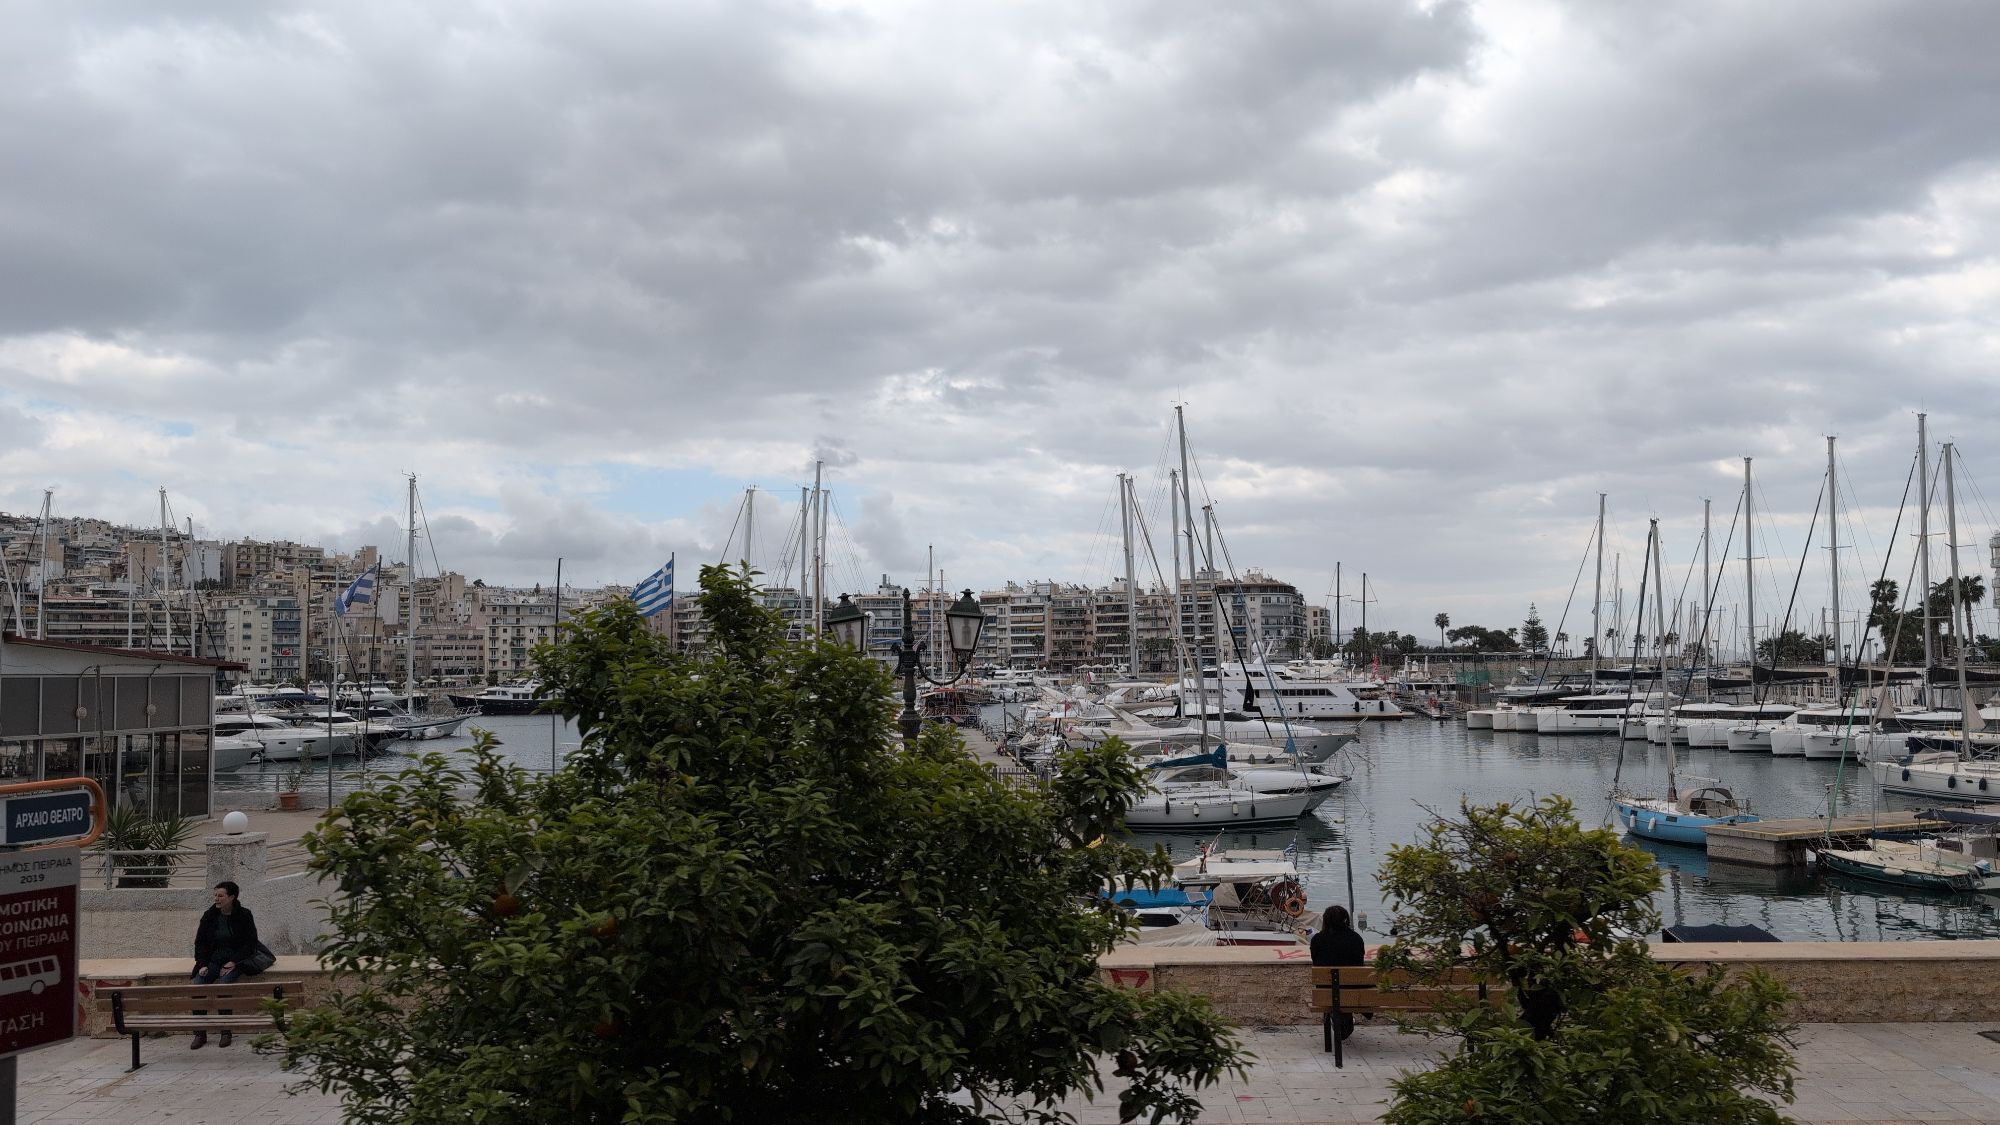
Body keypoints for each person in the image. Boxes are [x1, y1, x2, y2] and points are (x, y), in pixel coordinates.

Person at [190, 881, 259, 1049]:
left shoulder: (244, 915)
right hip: (213, 961)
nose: (216, 899)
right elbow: (200, 943)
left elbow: (250, 944)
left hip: (236, 961)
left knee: (224, 986)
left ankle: (226, 1031)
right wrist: (202, 964)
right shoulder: (209, 916)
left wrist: (233, 961)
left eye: (220, 896)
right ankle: (200, 1033)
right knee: (198, 986)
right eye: (215, 895)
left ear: (232, 897)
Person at [1310, 904, 1367, 1043]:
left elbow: (1315, 961)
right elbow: (1359, 964)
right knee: (1347, 987)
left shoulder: (1317, 939)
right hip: (1353, 991)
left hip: (1326, 993)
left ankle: (1338, 1020)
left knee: (1336, 991)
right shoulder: (1356, 939)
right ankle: (1345, 1020)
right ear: (1346, 920)